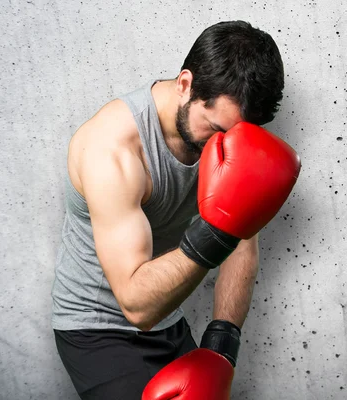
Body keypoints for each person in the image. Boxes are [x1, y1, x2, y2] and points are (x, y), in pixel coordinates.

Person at [51, 20, 300, 399]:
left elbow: (242, 240)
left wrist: (222, 344)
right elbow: (135, 304)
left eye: (234, 135)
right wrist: (218, 232)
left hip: (167, 318)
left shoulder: (227, 136)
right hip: (98, 329)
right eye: (215, 128)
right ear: (185, 84)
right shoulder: (114, 149)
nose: (223, 146)